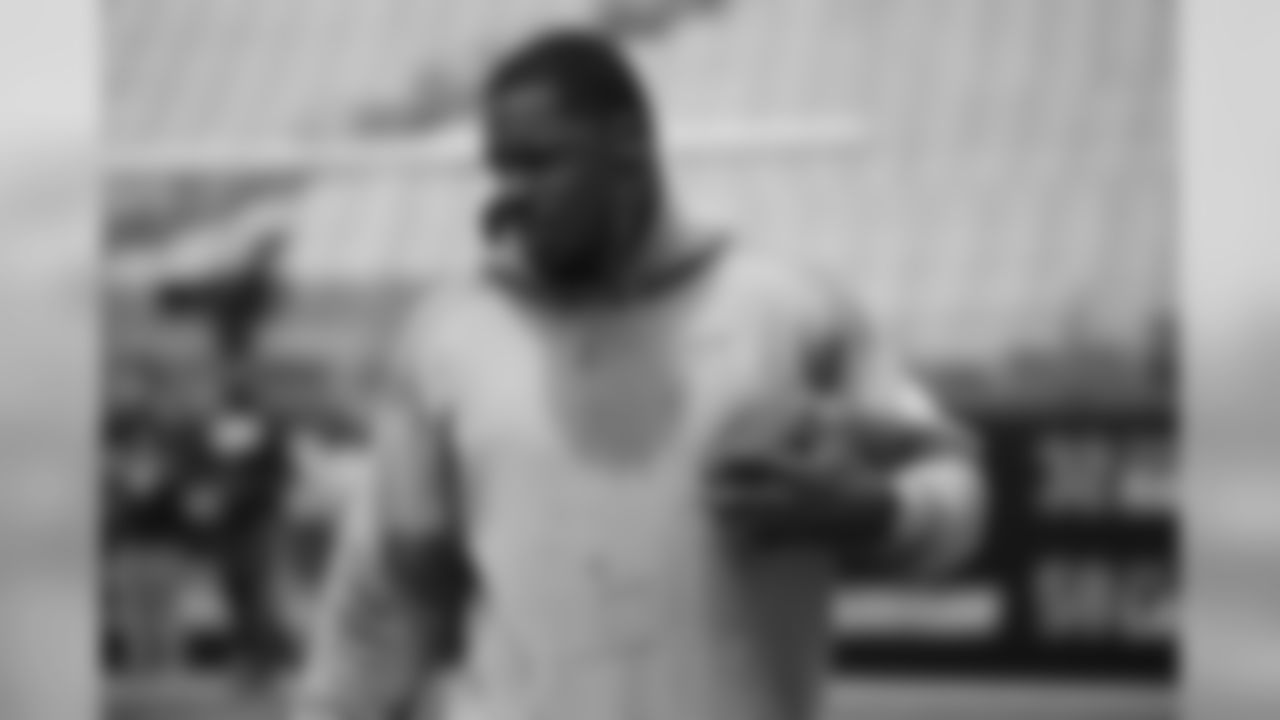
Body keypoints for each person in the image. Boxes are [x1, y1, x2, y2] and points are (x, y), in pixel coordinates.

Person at [295, 29, 984, 720]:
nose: (510, 196)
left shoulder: (789, 312)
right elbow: (375, 598)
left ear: (627, 144)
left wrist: (875, 512)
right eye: (501, 170)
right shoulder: (447, 338)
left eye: (539, 163)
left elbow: (959, 490)